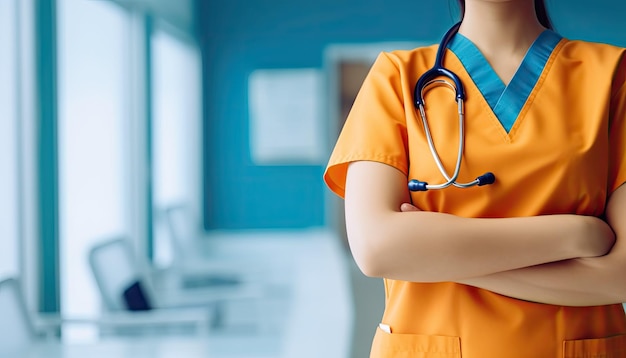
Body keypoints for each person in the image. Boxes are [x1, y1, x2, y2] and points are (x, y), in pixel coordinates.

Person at [323, 0, 626, 357]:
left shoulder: (613, 75)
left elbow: (619, 276)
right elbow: (376, 249)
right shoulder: (395, 78)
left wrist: (433, 257)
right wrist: (575, 235)